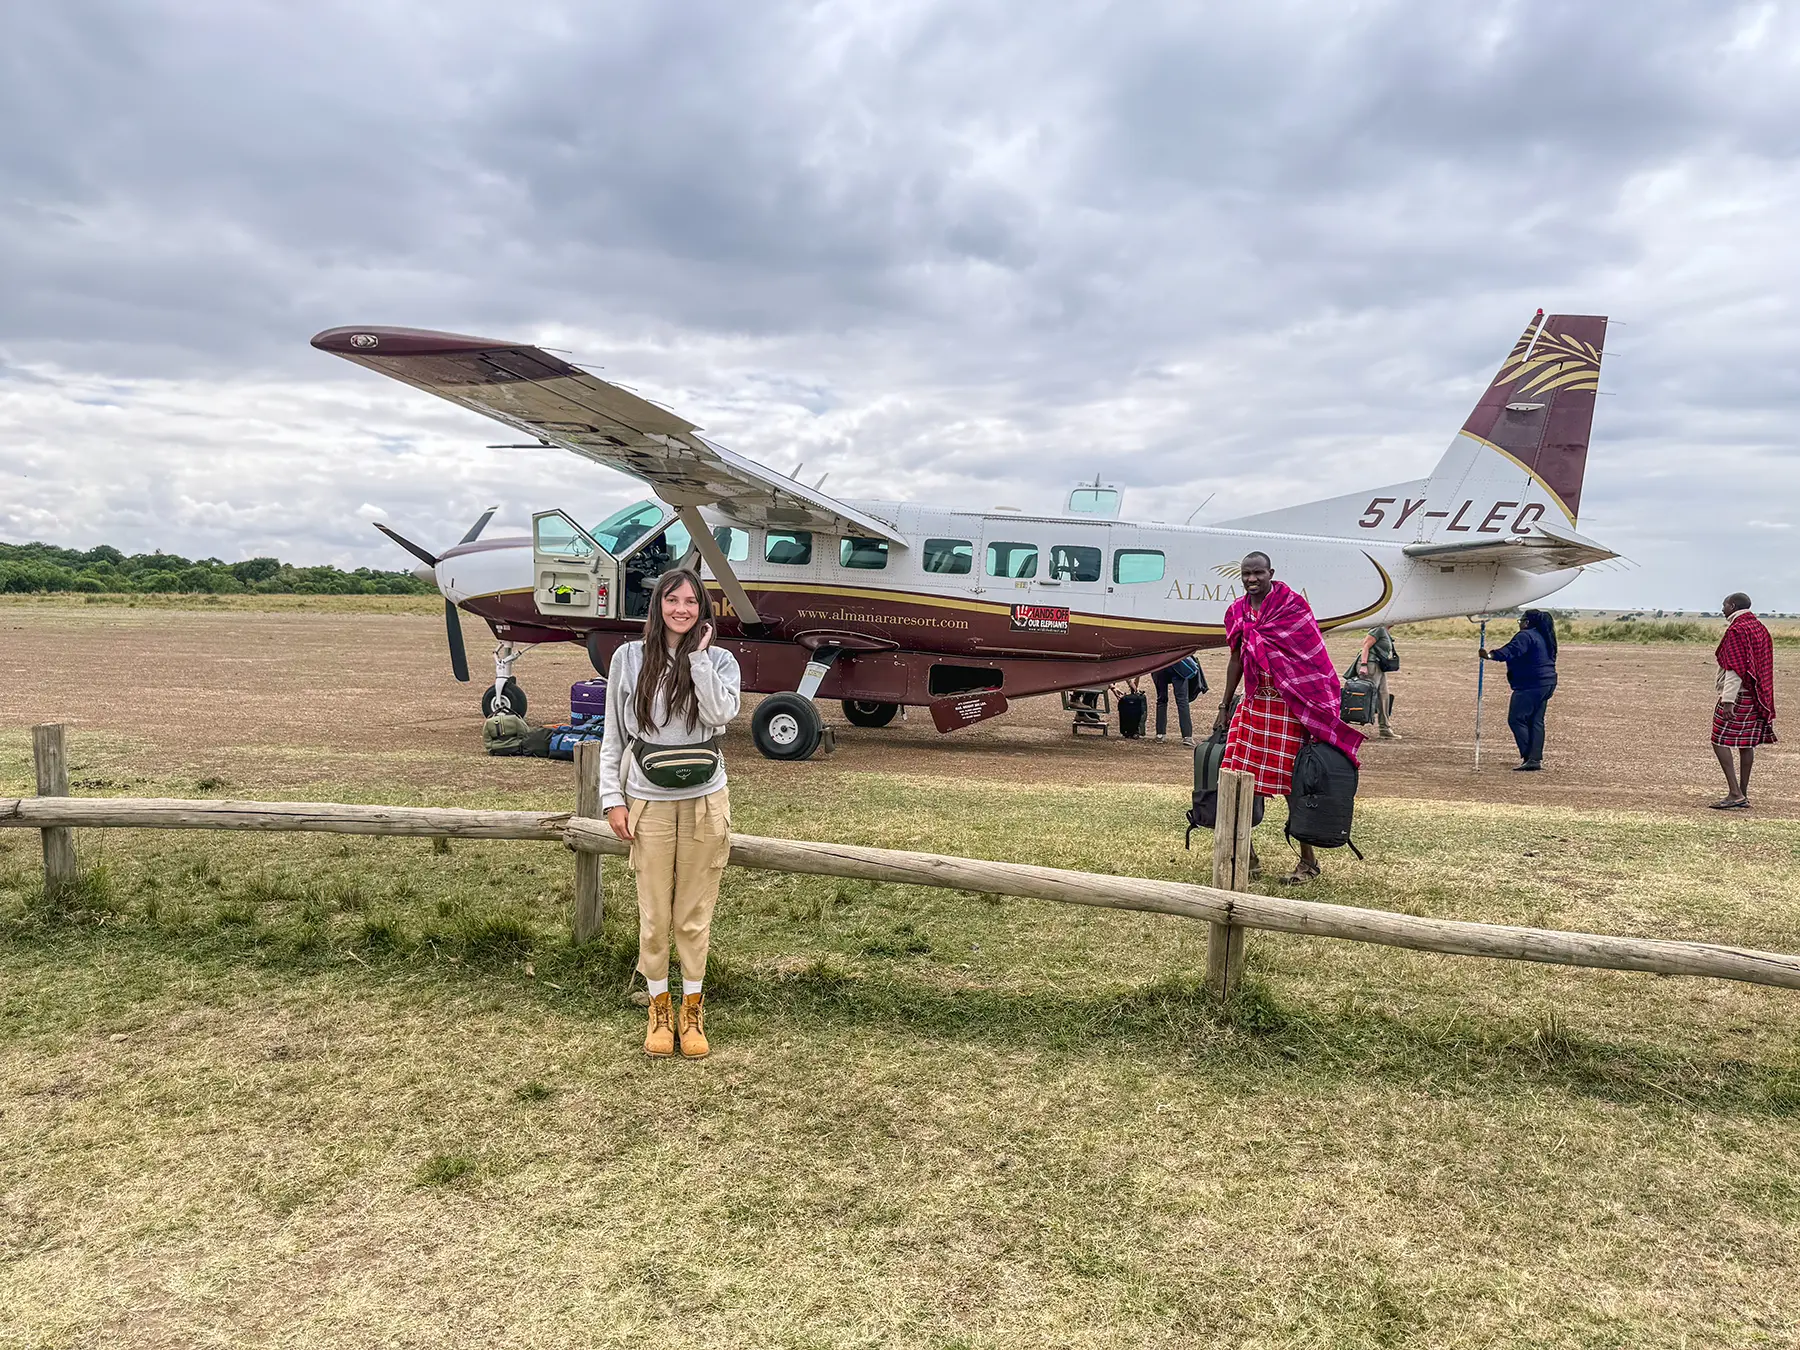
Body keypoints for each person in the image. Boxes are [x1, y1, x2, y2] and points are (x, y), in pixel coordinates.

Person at [600, 569, 743, 1058]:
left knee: (693, 915)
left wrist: (699, 660)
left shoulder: (720, 659)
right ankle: (659, 1009)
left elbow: (721, 715)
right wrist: (611, 798)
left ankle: (692, 1011)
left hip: (706, 800)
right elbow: (613, 735)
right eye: (672, 599)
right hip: (647, 800)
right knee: (655, 914)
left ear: (703, 610)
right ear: (657, 604)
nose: (681, 609)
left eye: (691, 602)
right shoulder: (629, 657)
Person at [1212, 552, 1362, 884]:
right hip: (1253, 706)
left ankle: (1307, 863)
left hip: (1289, 708)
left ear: (1271, 573)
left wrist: (1318, 707)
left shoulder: (1292, 607)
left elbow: (1314, 661)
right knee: (1235, 780)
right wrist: (1225, 704)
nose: (1252, 579)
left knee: (1296, 785)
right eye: (1246, 574)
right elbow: (1236, 659)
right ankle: (1244, 857)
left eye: (1258, 573)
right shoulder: (1237, 612)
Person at [1710, 591, 1777, 809]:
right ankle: (1742, 792)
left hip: (1738, 693)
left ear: (1732, 605)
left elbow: (1735, 669)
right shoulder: (1759, 627)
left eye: (1724, 605)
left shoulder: (1737, 630)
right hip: (1757, 694)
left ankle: (1734, 793)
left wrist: (1728, 700)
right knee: (1747, 743)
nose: (1722, 609)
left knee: (1719, 739)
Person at [1479, 610, 1558, 771]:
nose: (1520, 624)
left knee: (1516, 719)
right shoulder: (1544, 635)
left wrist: (1489, 655)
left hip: (1531, 685)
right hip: (1547, 683)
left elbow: (1512, 650)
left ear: (1527, 622)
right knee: (1536, 721)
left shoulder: (1525, 636)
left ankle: (1529, 756)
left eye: (1521, 621)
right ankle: (1534, 759)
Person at [1356, 625, 1401, 739]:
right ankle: (1347, 719)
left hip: (1379, 666)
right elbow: (1365, 646)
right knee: (1366, 696)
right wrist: (1364, 665)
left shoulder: (1385, 631)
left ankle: (1384, 728)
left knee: (1384, 695)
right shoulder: (1378, 629)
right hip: (1371, 665)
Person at [1152, 653, 1200, 746]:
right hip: (1177, 662)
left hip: (1158, 664)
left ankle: (1160, 734)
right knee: (1182, 701)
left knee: (1161, 700)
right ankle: (1187, 737)